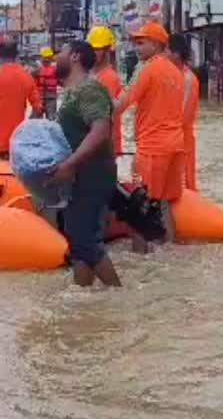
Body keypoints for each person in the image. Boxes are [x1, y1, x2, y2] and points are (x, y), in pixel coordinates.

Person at [49, 40, 121, 287]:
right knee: (78, 241)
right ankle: (83, 296)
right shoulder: (71, 91)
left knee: (85, 241)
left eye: (62, 51)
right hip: (76, 176)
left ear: (76, 57)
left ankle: (118, 295)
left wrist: (70, 163)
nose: (57, 56)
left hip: (92, 175)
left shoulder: (89, 88)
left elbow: (101, 130)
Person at [114, 21, 185, 250]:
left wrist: (99, 118)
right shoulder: (176, 72)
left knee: (138, 206)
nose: (136, 47)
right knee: (165, 204)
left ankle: (141, 262)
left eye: (141, 42)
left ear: (156, 44)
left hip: (151, 149)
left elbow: (124, 100)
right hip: (175, 146)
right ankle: (171, 252)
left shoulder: (146, 68)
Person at [166, 33, 200, 191]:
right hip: (174, 142)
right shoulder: (173, 76)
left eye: (166, 50)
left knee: (184, 187)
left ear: (176, 54)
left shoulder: (186, 78)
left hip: (181, 143)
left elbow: (181, 117)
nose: (163, 55)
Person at [87, 25, 125, 157]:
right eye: (92, 49)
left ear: (108, 50)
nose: (94, 53)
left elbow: (102, 116)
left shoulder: (108, 77)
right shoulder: (93, 75)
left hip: (104, 147)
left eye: (98, 49)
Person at [35, 46, 59, 119]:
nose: (46, 59)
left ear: (51, 58)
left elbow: (61, 81)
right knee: (36, 120)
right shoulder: (36, 69)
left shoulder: (55, 69)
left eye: (48, 57)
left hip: (51, 98)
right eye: (44, 57)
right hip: (38, 98)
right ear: (41, 57)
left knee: (51, 119)